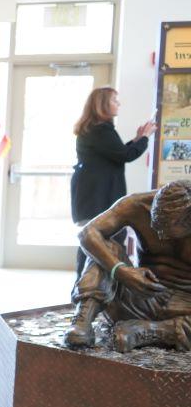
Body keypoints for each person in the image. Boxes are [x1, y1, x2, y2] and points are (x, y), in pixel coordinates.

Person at [65, 179, 191, 351]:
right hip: (140, 298)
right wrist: (122, 271)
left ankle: (153, 331)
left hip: (185, 311)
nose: (160, 236)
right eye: (156, 227)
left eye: (167, 231)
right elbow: (88, 232)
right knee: (103, 247)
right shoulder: (137, 204)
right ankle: (82, 322)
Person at [70, 86, 156, 274]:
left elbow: (114, 153)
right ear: (102, 105)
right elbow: (125, 155)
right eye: (114, 100)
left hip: (92, 193)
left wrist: (137, 139)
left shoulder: (96, 129)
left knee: (93, 239)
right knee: (95, 240)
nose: (119, 104)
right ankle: (86, 288)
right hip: (96, 195)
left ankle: (89, 287)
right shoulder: (100, 130)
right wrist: (144, 138)